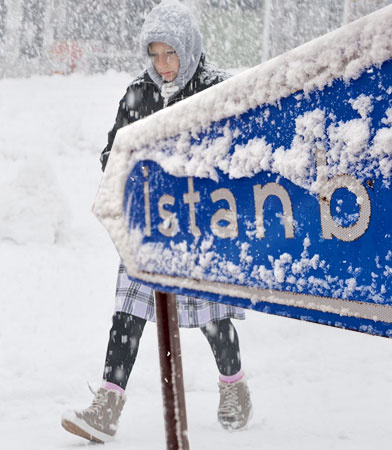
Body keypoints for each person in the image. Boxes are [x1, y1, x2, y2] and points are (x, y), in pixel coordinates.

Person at [61, 1, 253, 444]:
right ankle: (107, 406)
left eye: (172, 54)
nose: (163, 66)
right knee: (128, 311)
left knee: (210, 317)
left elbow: (235, 156)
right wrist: (136, 167)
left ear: (190, 49)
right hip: (149, 223)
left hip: (202, 225)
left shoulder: (216, 90)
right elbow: (113, 153)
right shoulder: (137, 94)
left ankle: (233, 386)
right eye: (155, 55)